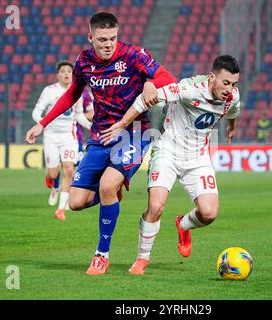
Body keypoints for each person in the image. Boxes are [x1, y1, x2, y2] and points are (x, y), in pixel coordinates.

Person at [25, 12, 176, 275]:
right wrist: (43, 123)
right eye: (103, 39)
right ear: (91, 37)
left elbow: (169, 79)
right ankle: (112, 197)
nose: (108, 44)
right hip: (99, 135)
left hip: (134, 132)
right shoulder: (83, 61)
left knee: (107, 185)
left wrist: (151, 83)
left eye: (113, 38)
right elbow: (72, 94)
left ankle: (101, 255)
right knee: (75, 201)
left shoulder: (133, 55)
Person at [100, 55, 241, 275]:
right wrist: (122, 124)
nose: (229, 89)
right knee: (156, 207)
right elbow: (145, 99)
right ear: (212, 77)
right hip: (167, 151)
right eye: (225, 83)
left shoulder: (232, 97)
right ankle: (141, 259)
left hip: (198, 158)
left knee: (209, 214)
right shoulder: (189, 89)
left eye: (234, 84)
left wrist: (231, 128)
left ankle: (183, 225)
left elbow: (234, 111)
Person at [32, 60, 93, 221]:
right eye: (63, 71)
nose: (66, 74)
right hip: (51, 135)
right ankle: (51, 180)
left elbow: (79, 114)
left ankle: (61, 209)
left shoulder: (77, 92)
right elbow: (36, 112)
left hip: (69, 136)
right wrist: (42, 124)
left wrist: (90, 127)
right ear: (57, 75)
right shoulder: (49, 91)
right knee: (53, 173)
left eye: (69, 71)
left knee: (69, 170)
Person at [76, 87, 95, 165]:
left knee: (75, 169)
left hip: (76, 138)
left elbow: (92, 114)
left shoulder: (85, 93)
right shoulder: (52, 90)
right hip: (54, 136)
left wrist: (76, 116)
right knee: (53, 172)